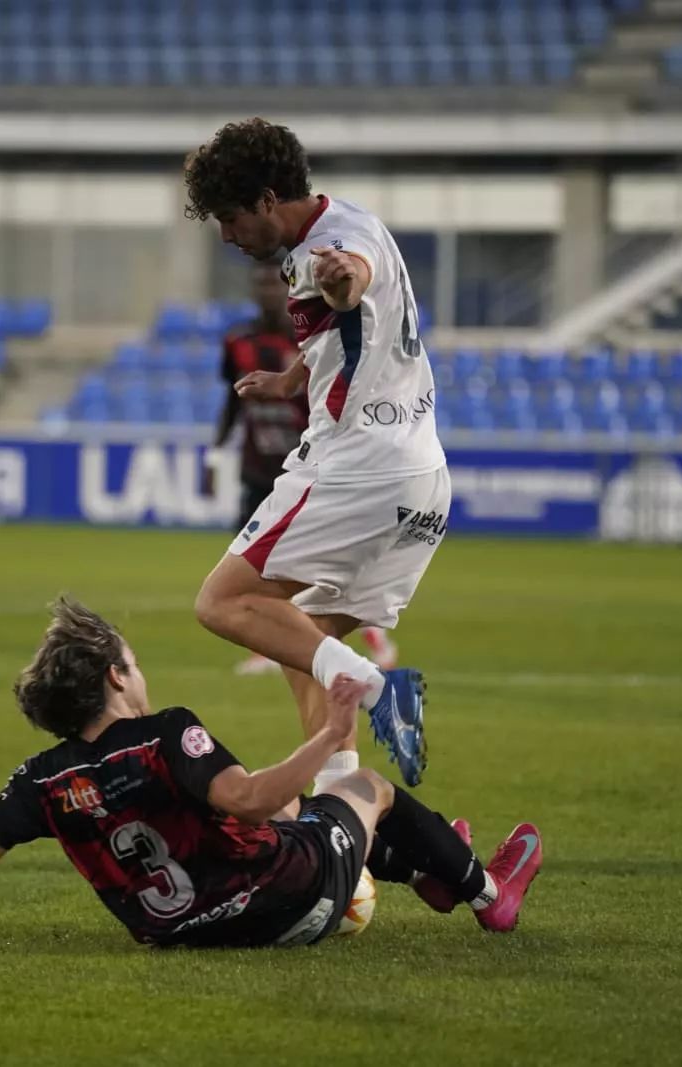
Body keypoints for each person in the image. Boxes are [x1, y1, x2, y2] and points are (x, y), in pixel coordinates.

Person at [0, 599, 541, 953]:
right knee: (364, 791)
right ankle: (486, 891)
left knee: (294, 798)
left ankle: (429, 873)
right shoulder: (167, 733)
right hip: (290, 904)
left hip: (183, 932)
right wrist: (331, 733)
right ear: (116, 675)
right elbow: (250, 802)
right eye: (132, 658)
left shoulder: (42, 781)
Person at [183, 118, 447, 790]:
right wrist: (291, 379)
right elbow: (349, 324)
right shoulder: (353, 220)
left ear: (268, 200)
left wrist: (341, 279)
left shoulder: (334, 246)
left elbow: (347, 283)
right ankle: (344, 812)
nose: (227, 236)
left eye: (231, 218)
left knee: (221, 603)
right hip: (422, 479)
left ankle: (375, 685)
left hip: (356, 467)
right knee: (300, 643)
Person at [213, 259, 399, 677]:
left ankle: (371, 640)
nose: (266, 291)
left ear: (287, 289)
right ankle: (269, 646)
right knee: (254, 566)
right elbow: (231, 400)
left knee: (311, 567)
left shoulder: (309, 340)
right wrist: (215, 453)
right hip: (258, 470)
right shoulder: (237, 341)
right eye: (259, 283)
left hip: (307, 470)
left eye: (273, 284)